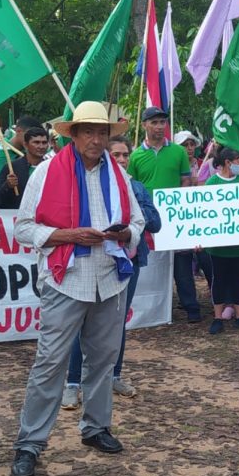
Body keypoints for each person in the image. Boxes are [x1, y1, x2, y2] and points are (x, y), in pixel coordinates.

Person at [10, 102, 145, 476]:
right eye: (89, 131)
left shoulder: (118, 173)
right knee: (50, 362)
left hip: (110, 277)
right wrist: (68, 235)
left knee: (103, 359)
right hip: (65, 278)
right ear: (73, 134)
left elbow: (138, 220)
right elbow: (22, 228)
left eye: (102, 132)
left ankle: (96, 427)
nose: (96, 139)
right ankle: (30, 443)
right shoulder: (46, 172)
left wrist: (126, 234)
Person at [63, 135, 160, 406]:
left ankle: (113, 376)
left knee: (116, 324)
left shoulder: (137, 187)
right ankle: (72, 382)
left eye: (124, 155)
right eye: (115, 154)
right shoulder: (87, 183)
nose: (120, 160)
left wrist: (132, 209)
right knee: (80, 324)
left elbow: (155, 223)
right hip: (91, 262)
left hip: (128, 263)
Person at [129, 107, 201, 322]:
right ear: (144, 125)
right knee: (150, 261)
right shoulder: (136, 156)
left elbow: (185, 180)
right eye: (154, 123)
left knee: (181, 261)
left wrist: (179, 206)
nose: (159, 127)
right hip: (147, 219)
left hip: (174, 216)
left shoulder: (178, 152)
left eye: (163, 122)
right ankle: (151, 309)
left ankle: (191, 307)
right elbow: (133, 185)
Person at [203, 147, 239, 334]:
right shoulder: (212, 183)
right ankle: (218, 318)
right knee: (218, 280)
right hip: (218, 248)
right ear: (228, 162)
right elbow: (203, 213)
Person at [0, 126, 48, 209]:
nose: (41, 146)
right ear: (26, 145)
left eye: (44, 143)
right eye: (36, 142)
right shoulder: (11, 168)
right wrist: (7, 186)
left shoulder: (52, 167)